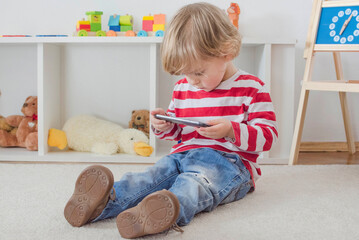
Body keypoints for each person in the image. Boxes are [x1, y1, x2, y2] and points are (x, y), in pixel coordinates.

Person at [64, 2, 278, 239]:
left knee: (194, 185)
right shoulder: (183, 87)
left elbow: (269, 137)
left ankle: (163, 213)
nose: (192, 80)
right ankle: (103, 203)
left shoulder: (251, 88)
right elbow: (178, 134)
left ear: (226, 52)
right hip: (181, 155)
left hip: (228, 163)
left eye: (198, 72)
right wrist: (164, 126)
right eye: (185, 73)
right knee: (149, 178)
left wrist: (231, 130)